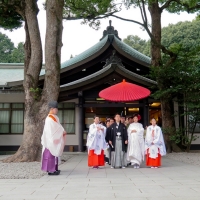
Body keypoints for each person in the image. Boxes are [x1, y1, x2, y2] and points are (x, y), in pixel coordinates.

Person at [41, 101, 67, 175]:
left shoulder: (55, 117)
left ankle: (54, 169)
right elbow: (51, 130)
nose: (57, 110)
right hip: (50, 139)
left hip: (55, 138)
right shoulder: (49, 119)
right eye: (56, 109)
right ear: (52, 109)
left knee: (55, 154)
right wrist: (61, 132)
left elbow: (58, 127)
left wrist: (62, 131)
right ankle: (50, 170)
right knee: (50, 155)